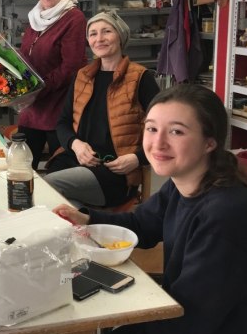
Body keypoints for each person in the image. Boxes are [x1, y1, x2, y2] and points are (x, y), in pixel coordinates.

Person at [48, 84, 247, 334]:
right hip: (182, 325)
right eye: (151, 128)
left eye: (176, 131)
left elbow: (193, 317)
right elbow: (141, 225)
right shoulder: (182, 184)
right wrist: (86, 219)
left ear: (210, 142)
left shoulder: (226, 215)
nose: (158, 143)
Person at [43, 11, 160, 207]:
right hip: (75, 159)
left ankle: (85, 220)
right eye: (93, 34)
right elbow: (62, 123)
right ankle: (87, 222)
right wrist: (76, 145)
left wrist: (137, 158)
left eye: (107, 31)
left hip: (114, 169)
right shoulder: (82, 76)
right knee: (61, 203)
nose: (99, 39)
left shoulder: (140, 78)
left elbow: (163, 129)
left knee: (46, 187)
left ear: (120, 36)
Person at [17, 0, 87, 169]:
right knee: (22, 168)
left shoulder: (73, 18)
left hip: (58, 108)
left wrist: (38, 89)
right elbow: (26, 55)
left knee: (59, 171)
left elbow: (71, 66)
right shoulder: (35, 18)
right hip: (32, 109)